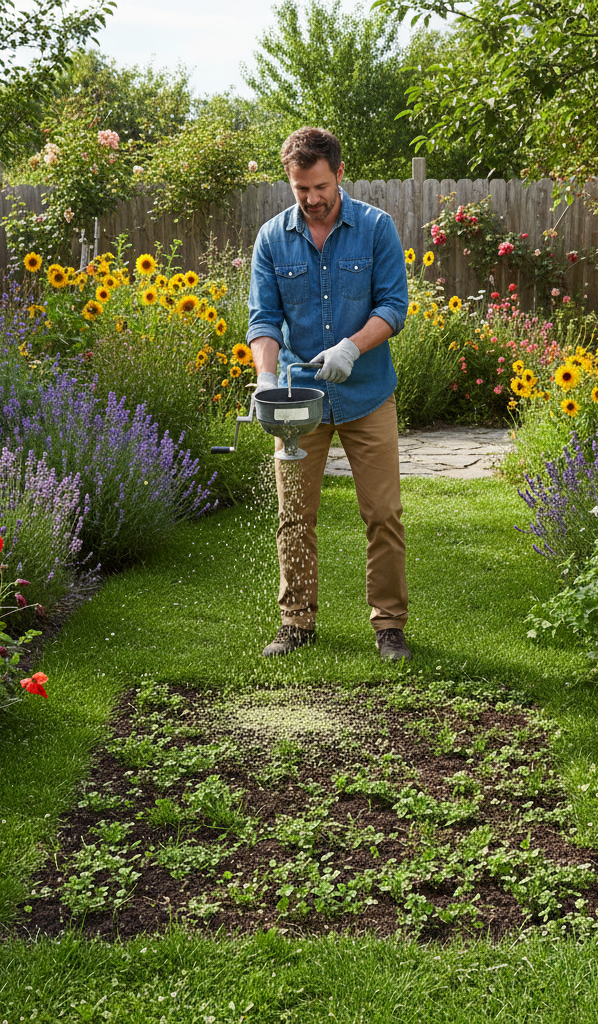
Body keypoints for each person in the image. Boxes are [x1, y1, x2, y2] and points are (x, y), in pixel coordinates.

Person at [246, 126, 411, 661]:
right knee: (294, 514)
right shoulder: (272, 238)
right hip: (298, 399)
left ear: (339, 174)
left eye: (320, 186)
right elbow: (264, 319)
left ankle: (389, 625)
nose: (312, 198)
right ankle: (296, 622)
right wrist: (267, 379)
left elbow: (393, 306)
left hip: (367, 393)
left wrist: (350, 349)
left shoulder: (376, 228)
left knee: (383, 513)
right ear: (289, 182)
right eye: (301, 189)